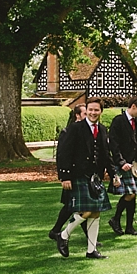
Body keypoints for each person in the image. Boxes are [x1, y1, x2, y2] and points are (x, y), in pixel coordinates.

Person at [54, 98, 114, 259]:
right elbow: (64, 153)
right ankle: (64, 235)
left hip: (94, 177)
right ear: (86, 110)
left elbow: (105, 155)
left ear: (101, 111)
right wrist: (65, 176)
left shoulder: (102, 129)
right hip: (78, 175)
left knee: (96, 212)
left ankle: (91, 250)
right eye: (91, 109)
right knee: (86, 211)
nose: (93, 113)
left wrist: (114, 174)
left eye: (97, 110)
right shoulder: (75, 128)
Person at [107, 97, 137, 236]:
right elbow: (113, 144)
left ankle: (129, 227)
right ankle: (115, 219)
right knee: (131, 193)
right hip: (124, 164)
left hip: (136, 164)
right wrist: (121, 162)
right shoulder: (118, 121)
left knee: (133, 195)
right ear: (133, 106)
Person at [49, 103, 86, 242]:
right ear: (77, 115)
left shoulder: (87, 131)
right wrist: (64, 176)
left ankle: (55, 231)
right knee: (75, 206)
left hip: (82, 174)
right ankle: (56, 231)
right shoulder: (68, 131)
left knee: (78, 206)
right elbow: (62, 156)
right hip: (72, 175)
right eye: (84, 114)